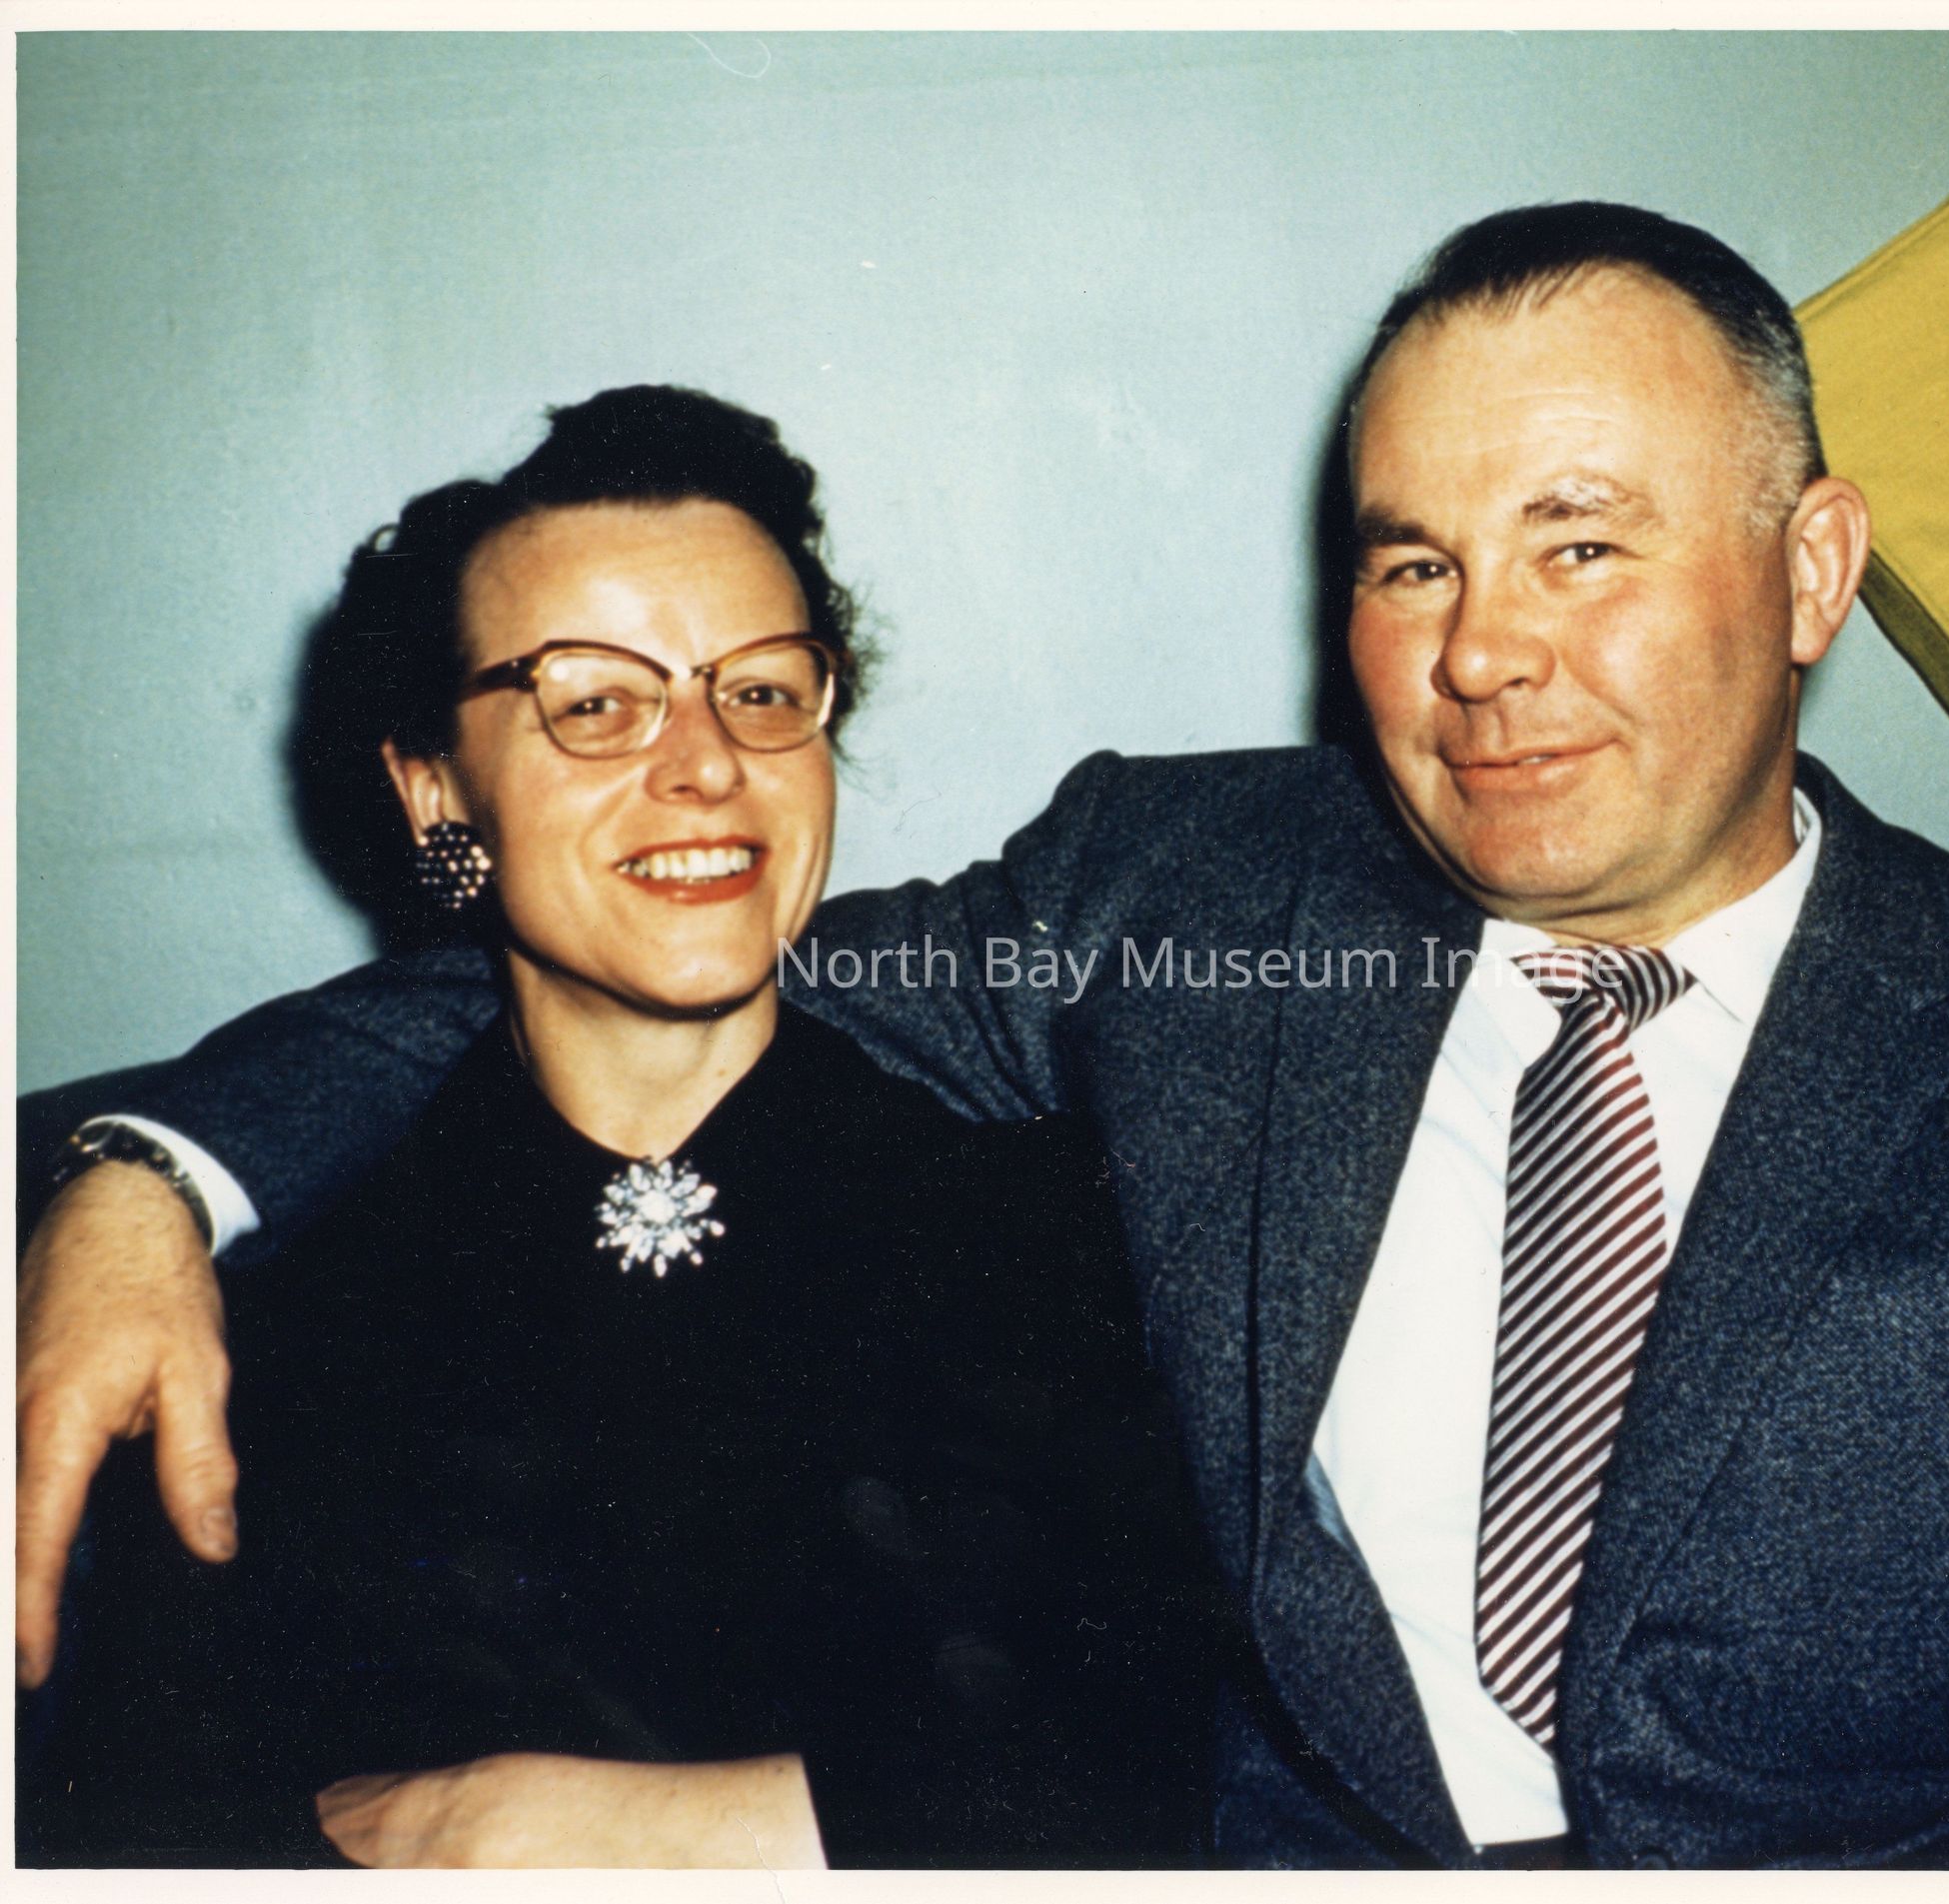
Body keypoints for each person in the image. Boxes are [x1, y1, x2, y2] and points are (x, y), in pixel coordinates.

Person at [17, 203, 1949, 1868]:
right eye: (1415, 559)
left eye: (1582, 542)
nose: (1483, 654)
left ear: (1814, 564)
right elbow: (657, 922)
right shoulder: (1205, 909)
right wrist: (151, 1175)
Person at [16, 385, 1213, 1867]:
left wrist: (524, 1828)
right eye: (591, 702)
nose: (705, 761)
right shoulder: (257, 1309)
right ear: (434, 788)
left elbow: (1155, 1781)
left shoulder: (1054, 1233)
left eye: (760, 690)